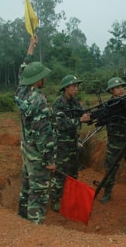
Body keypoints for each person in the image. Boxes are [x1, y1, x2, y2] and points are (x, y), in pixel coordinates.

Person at [14, 38, 55, 224]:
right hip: (37, 154)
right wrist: (49, 160)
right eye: (43, 76)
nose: (45, 78)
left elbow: (23, 70)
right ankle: (33, 228)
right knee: (38, 191)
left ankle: (21, 217)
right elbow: (44, 135)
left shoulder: (22, 93)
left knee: (27, 185)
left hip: (26, 149)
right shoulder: (40, 101)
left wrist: (31, 47)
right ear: (39, 80)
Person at [50, 75, 91, 212]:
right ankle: (55, 200)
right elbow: (61, 124)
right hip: (61, 145)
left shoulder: (75, 102)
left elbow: (80, 115)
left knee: (73, 172)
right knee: (60, 173)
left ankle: (70, 198)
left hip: (73, 142)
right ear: (66, 88)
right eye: (73, 86)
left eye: (77, 86)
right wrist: (80, 120)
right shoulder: (58, 104)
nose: (76, 88)